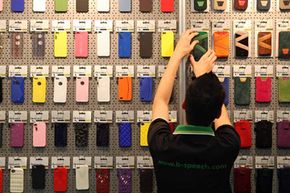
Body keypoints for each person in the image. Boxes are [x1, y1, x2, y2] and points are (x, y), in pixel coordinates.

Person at [148, 29, 240, 193]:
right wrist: (204, 75)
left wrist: (177, 55)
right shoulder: (228, 145)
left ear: (184, 105)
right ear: (217, 113)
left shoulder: (162, 145)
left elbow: (161, 101)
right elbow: (218, 108)